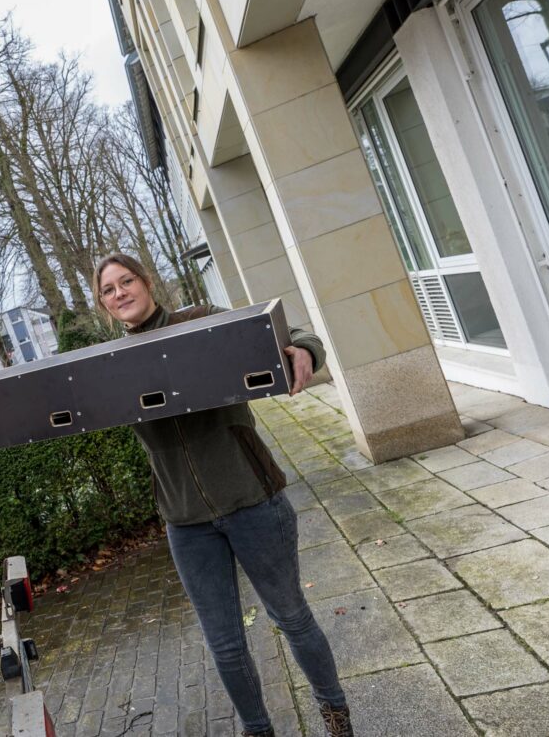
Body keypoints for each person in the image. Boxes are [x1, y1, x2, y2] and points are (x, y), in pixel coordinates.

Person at [94, 253, 353, 737]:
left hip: (252, 500)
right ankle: (258, 730)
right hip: (185, 521)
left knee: (292, 617)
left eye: (126, 280)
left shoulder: (202, 321)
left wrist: (303, 350)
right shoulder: (110, 365)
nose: (120, 293)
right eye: (109, 290)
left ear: (147, 283)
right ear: (105, 306)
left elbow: (283, 333)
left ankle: (335, 713)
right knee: (225, 645)